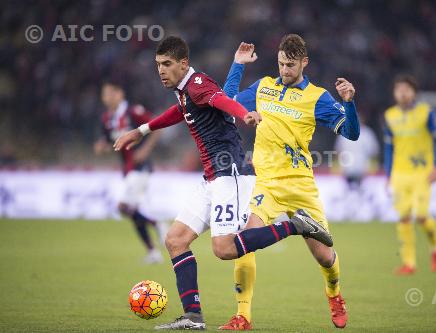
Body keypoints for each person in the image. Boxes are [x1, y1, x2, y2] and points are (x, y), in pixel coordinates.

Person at [113, 36, 333, 330]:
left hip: (231, 175)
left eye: (167, 64)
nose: (161, 70)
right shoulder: (185, 92)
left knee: (224, 249)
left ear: (183, 64)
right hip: (212, 178)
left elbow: (223, 100)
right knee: (175, 240)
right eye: (158, 65)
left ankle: (296, 225)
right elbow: (181, 112)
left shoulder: (199, 84)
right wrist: (141, 130)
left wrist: (245, 114)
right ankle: (192, 316)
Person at [220, 35, 360, 330]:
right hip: (267, 184)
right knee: (244, 241)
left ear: (304, 63)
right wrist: (237, 65)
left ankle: (334, 294)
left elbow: (351, 133)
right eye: (282, 63)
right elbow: (227, 102)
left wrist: (349, 104)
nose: (284, 69)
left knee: (323, 255)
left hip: (300, 186)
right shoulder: (264, 87)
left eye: (291, 65)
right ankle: (243, 315)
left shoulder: (318, 97)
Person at [94, 81, 166, 264]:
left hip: (141, 168)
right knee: (131, 211)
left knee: (123, 207)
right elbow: (109, 143)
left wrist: (144, 151)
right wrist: (102, 147)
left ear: (120, 94)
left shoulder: (134, 111)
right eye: (104, 95)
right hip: (127, 169)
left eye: (110, 94)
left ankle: (157, 225)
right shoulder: (107, 119)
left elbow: (157, 128)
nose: (106, 98)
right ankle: (153, 251)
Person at [383, 74, 436, 275]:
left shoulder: (426, 112)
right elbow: (388, 148)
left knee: (420, 216)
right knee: (403, 218)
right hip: (400, 174)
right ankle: (409, 263)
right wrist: (388, 175)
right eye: (398, 89)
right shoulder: (389, 116)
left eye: (406, 89)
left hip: (422, 172)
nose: (402, 92)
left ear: (413, 92)